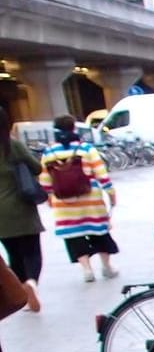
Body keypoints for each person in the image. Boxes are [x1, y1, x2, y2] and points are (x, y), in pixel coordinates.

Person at [38, 116, 118, 283]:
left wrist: (49, 197)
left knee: (74, 237)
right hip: (91, 201)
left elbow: (45, 180)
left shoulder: (49, 152)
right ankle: (107, 267)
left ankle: (87, 269)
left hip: (64, 204)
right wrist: (110, 193)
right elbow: (101, 174)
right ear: (74, 128)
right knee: (100, 234)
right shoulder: (87, 149)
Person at [0, 109, 43, 313]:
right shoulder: (12, 144)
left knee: (13, 255)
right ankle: (32, 283)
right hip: (22, 206)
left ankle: (23, 294)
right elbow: (37, 168)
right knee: (32, 251)